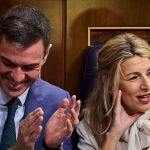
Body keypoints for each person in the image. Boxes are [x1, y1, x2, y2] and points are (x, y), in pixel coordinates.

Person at [0, 4, 81, 150]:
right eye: (8, 63)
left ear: (46, 55)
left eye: (29, 67)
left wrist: (50, 146)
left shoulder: (58, 101)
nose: (17, 78)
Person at [76, 33, 150, 150]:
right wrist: (113, 135)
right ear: (110, 84)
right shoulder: (89, 128)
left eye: (149, 73)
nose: (147, 85)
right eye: (134, 77)